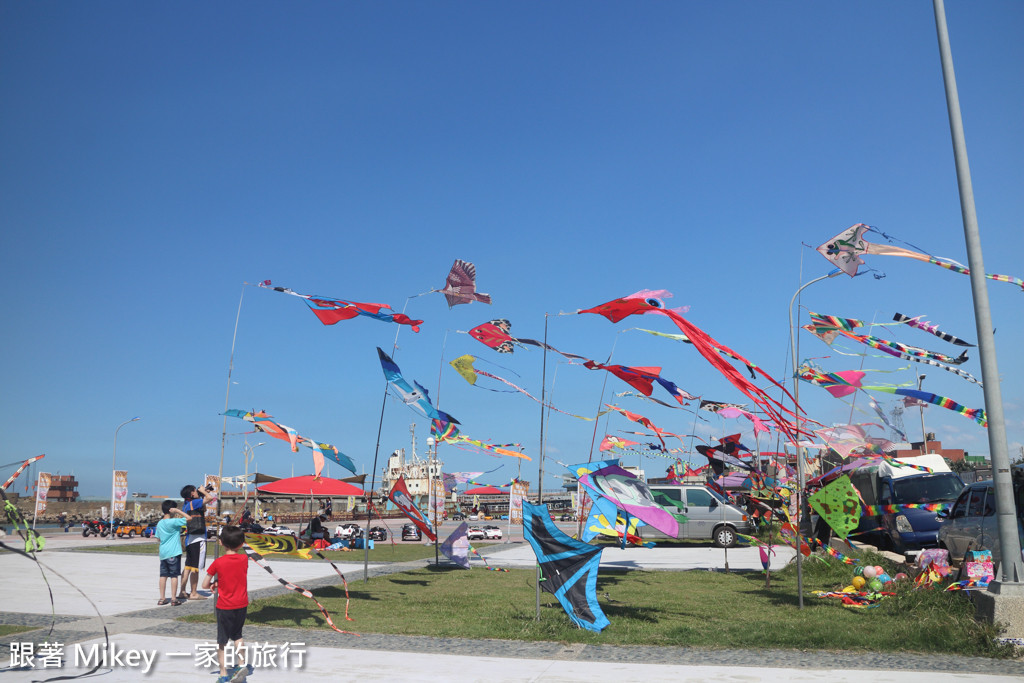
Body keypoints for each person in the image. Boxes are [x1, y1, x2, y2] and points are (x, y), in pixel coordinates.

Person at [202, 525, 251, 683]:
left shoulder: (218, 562)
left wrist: (214, 582)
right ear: (241, 544)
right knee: (238, 635)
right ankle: (241, 664)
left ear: (221, 542)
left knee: (222, 641)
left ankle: (223, 673)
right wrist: (219, 581)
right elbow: (234, 576)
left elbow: (204, 585)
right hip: (242, 604)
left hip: (225, 606)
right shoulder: (244, 559)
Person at [179, 483, 217, 601]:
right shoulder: (194, 503)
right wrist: (204, 492)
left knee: (188, 566)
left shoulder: (186, 505)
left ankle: (182, 591)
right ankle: (194, 593)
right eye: (195, 491)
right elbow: (210, 499)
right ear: (191, 493)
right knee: (195, 567)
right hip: (198, 538)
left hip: (190, 539)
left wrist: (201, 493)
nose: (197, 491)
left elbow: (203, 508)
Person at [156, 500, 189, 606]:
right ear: (171, 510)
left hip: (163, 552)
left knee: (163, 575)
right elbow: (189, 518)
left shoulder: (160, 523)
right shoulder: (174, 522)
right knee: (174, 576)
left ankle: (162, 598)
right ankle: (174, 599)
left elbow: (158, 538)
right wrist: (178, 511)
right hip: (174, 552)